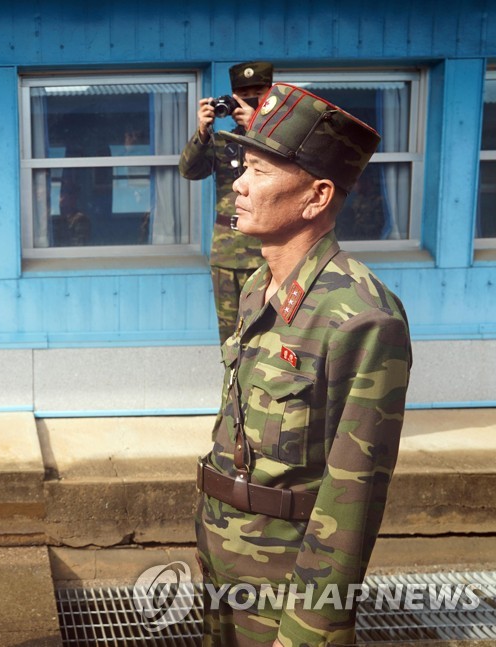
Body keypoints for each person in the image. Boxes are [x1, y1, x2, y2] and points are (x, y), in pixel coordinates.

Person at [194, 83, 412, 647]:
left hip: (285, 582)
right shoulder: (256, 287)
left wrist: (312, 628)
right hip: (221, 560)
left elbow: (352, 495)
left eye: (260, 171)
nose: (239, 184)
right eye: (243, 167)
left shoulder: (362, 317)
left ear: (316, 197)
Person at [179, 61, 274, 344]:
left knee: (269, 331)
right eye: (244, 94)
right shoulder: (224, 141)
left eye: (258, 93)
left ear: (271, 93)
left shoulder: (282, 139)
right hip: (227, 249)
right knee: (230, 335)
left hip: (268, 249)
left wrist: (258, 128)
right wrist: (202, 132)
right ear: (233, 98)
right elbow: (189, 170)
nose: (251, 99)